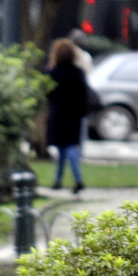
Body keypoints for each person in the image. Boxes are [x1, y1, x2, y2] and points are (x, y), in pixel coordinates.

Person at [45, 38, 89, 193]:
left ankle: (74, 180)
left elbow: (48, 93)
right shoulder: (78, 73)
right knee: (69, 147)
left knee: (65, 147)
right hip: (74, 115)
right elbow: (84, 94)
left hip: (58, 114)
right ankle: (60, 179)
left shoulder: (53, 73)